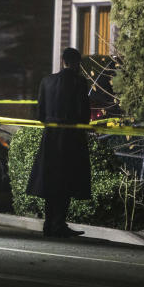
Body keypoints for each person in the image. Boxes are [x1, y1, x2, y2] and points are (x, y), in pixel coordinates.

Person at [26, 47, 91, 238]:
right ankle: (59, 223)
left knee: (51, 180)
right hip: (71, 139)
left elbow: (40, 114)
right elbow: (84, 115)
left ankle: (49, 223)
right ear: (77, 63)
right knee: (66, 181)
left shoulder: (46, 81)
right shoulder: (79, 82)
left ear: (63, 61)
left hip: (50, 138)